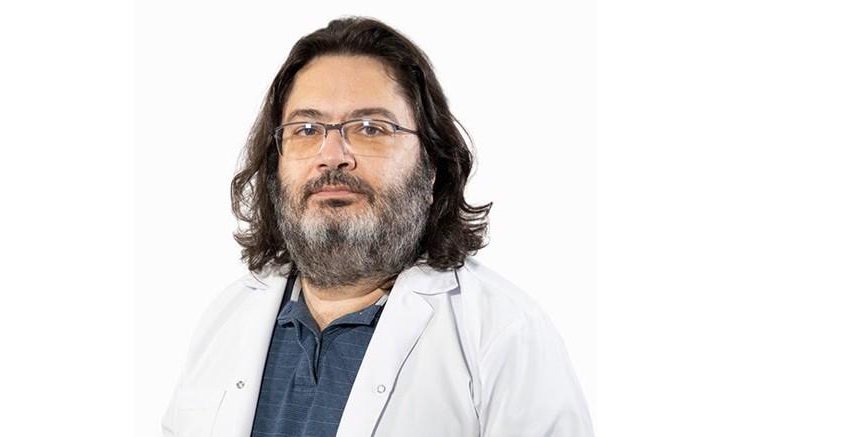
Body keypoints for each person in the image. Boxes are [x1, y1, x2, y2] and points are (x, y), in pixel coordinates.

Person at [162, 16, 593, 437]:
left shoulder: (503, 335)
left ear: (431, 168)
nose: (332, 156)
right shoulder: (226, 320)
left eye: (370, 128)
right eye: (306, 129)